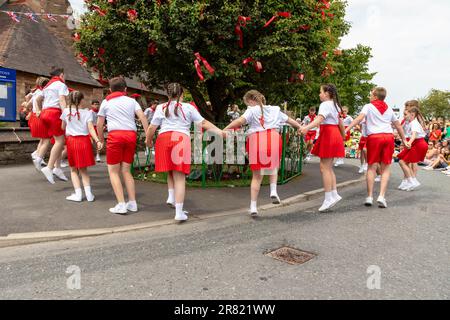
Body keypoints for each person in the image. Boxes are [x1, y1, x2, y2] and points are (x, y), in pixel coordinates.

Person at [146, 83, 222, 221]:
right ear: (181, 94)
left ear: (168, 94)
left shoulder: (160, 107)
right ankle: (179, 212)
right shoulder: (188, 107)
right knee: (180, 177)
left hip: (164, 138)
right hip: (180, 139)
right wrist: (220, 131)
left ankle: (171, 196)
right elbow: (203, 123)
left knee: (170, 169)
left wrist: (148, 141)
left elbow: (152, 127)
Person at [224, 90, 302, 216]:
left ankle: (253, 206)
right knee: (273, 167)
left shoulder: (251, 110)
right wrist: (300, 127)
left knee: (257, 176)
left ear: (251, 101)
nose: (247, 106)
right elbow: (290, 121)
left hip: (257, 139)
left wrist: (226, 129)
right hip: (273, 138)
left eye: (247, 103)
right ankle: (273, 190)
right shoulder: (275, 110)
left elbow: (240, 121)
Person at [345, 87, 407, 208]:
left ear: (375, 96)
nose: (369, 96)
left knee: (371, 167)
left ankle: (369, 196)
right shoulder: (389, 108)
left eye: (370, 94)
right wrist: (404, 139)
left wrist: (347, 128)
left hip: (374, 138)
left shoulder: (368, 106)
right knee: (385, 168)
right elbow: (398, 125)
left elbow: (359, 118)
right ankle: (382, 196)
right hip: (388, 137)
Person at [97, 77, 149, 215]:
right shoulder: (132, 101)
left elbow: (100, 124)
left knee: (113, 171)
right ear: (125, 89)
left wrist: (100, 140)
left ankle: (121, 204)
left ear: (110, 90)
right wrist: (148, 137)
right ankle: (132, 203)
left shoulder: (106, 102)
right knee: (126, 171)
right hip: (131, 136)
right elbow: (143, 117)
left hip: (115, 136)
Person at [300, 84, 346, 212]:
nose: (319, 94)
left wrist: (306, 128)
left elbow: (319, 119)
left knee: (324, 168)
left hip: (329, 134)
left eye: (320, 92)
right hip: (334, 134)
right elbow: (340, 123)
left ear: (327, 93)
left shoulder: (325, 104)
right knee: (328, 167)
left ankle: (328, 198)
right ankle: (333, 194)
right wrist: (343, 136)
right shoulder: (335, 105)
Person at [61, 91, 102, 202]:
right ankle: (89, 195)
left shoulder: (65, 112)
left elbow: (62, 127)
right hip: (84, 141)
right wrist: (97, 140)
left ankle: (78, 194)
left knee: (73, 170)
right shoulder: (87, 112)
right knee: (84, 171)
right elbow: (90, 128)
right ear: (81, 100)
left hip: (71, 142)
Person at [35, 67, 69, 184]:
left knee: (56, 141)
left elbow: (38, 99)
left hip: (45, 113)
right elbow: (62, 101)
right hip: (54, 113)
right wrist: (66, 114)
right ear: (61, 75)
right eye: (64, 75)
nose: (65, 77)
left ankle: (57, 168)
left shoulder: (48, 85)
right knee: (60, 141)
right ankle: (49, 167)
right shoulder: (61, 85)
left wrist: (39, 110)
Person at [397, 107, 428, 191]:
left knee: (402, 162)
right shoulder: (411, 122)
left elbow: (414, 135)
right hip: (417, 144)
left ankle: (412, 181)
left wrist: (409, 143)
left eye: (405, 114)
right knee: (404, 162)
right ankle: (411, 181)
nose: (404, 116)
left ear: (412, 114)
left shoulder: (414, 123)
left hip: (419, 144)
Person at [29, 77, 50, 166]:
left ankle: (37, 155)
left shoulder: (36, 92)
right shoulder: (42, 92)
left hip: (35, 116)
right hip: (39, 116)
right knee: (46, 139)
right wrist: (39, 111)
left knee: (43, 139)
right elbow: (37, 102)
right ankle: (38, 157)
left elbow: (28, 103)